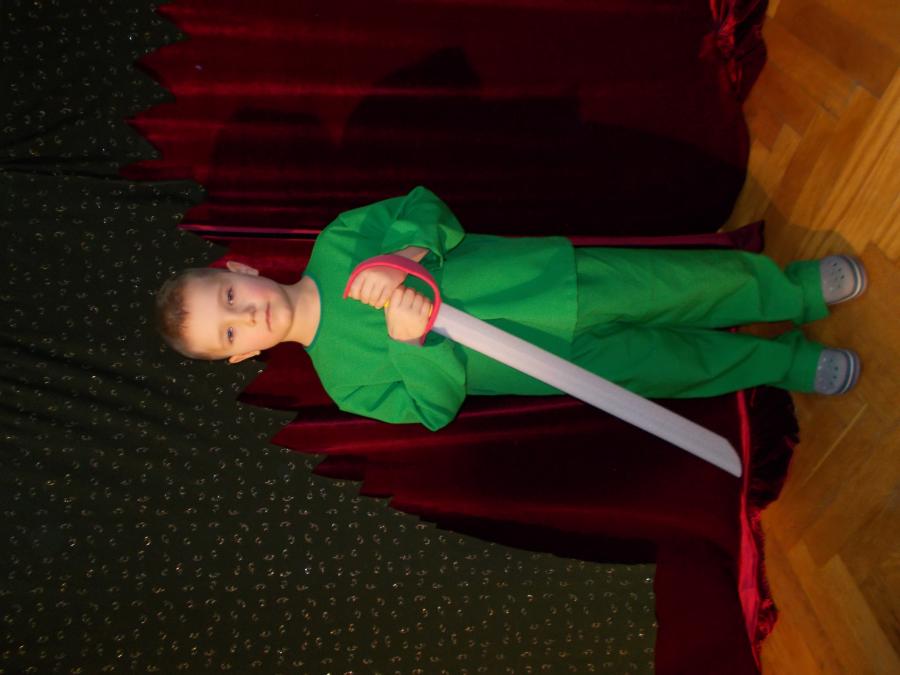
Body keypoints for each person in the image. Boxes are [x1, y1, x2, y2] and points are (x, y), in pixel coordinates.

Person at [155, 186, 866, 431]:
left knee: (685, 284)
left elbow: (428, 208)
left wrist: (404, 256)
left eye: (229, 298)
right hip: (551, 362)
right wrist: (409, 342)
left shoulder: (340, 240)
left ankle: (794, 293)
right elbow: (435, 409)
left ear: (240, 270)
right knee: (677, 365)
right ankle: (783, 362)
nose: (246, 317)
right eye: (230, 333)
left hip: (554, 281)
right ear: (243, 356)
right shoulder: (347, 383)